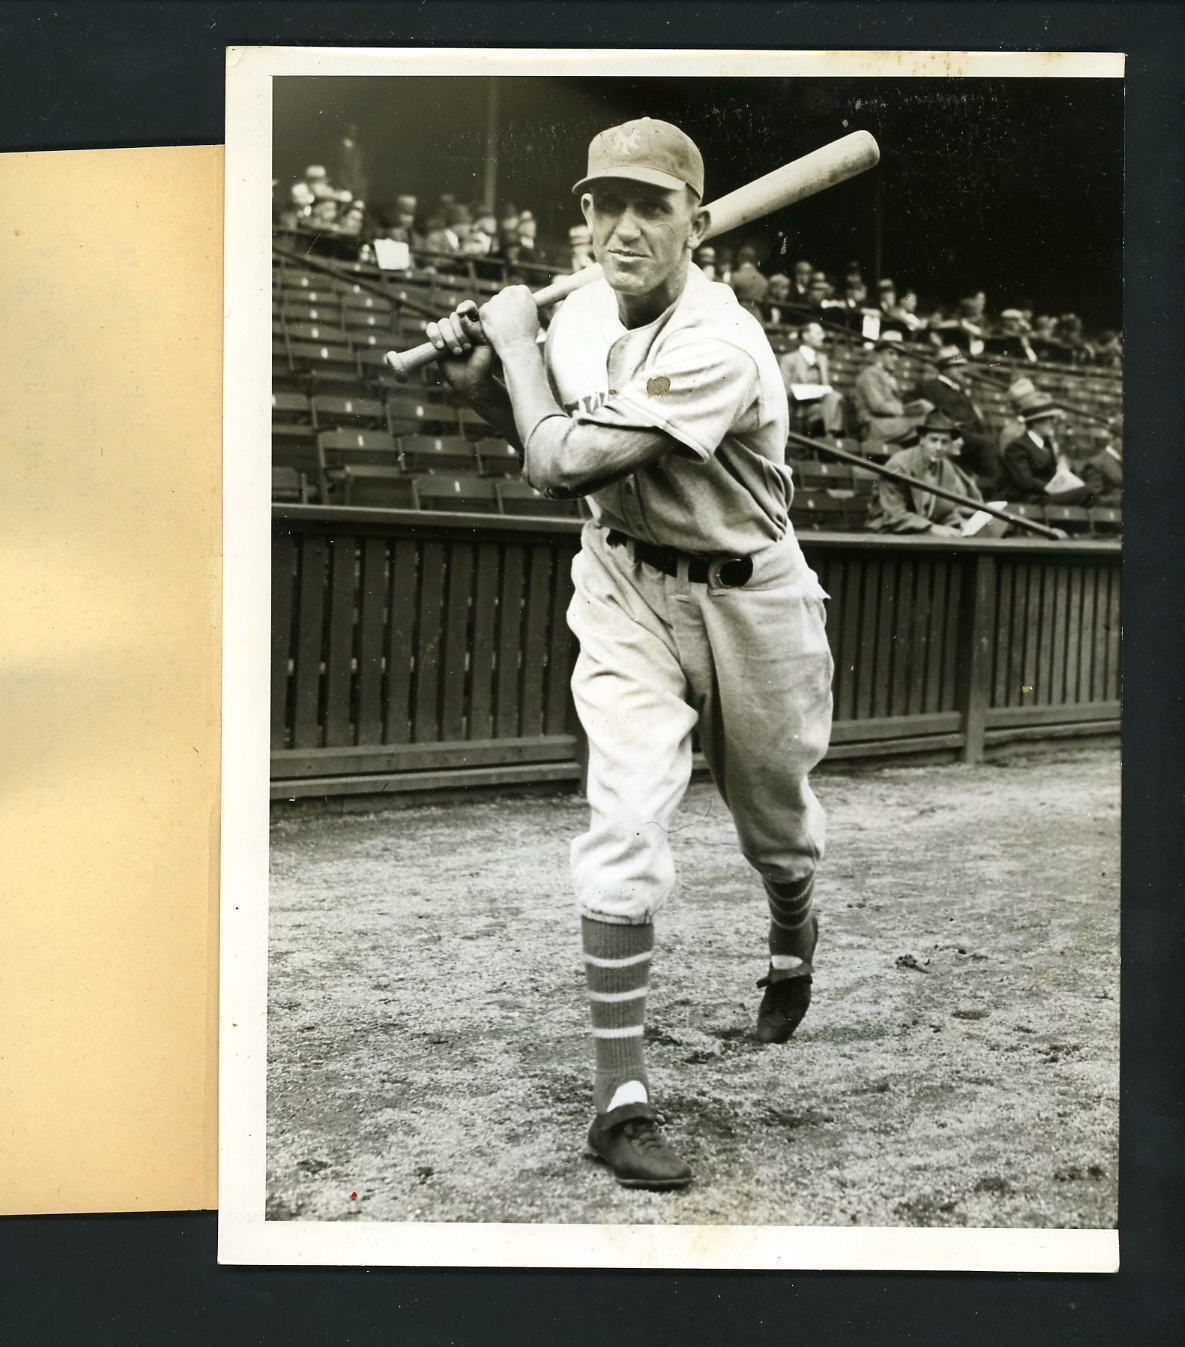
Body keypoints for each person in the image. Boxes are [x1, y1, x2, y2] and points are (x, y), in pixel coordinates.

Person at [425, 117, 834, 1192]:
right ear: (584, 215)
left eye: (650, 206)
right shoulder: (577, 309)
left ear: (696, 225)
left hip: (751, 597)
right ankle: (620, 1103)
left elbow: (559, 458)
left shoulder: (721, 340)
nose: (622, 226)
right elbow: (535, 433)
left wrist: (512, 345)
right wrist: (479, 370)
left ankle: (792, 934)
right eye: (605, 203)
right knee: (625, 821)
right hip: (620, 582)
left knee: (776, 829)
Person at [867, 408, 983, 535]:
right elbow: (894, 515)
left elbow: (944, 512)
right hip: (889, 533)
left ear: (950, 444)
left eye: (944, 442)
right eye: (933, 440)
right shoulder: (898, 464)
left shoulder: (947, 467)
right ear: (922, 439)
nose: (938, 447)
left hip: (921, 534)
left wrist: (959, 523)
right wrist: (933, 529)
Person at [911, 346, 1002, 493]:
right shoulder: (930, 386)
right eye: (957, 366)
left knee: (991, 441)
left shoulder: (959, 390)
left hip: (968, 435)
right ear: (945, 368)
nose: (961, 370)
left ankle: (983, 487)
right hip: (950, 433)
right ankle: (990, 490)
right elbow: (929, 412)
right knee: (987, 444)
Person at [1002, 398, 1093, 505]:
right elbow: (1026, 482)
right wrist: (1055, 487)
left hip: (1048, 496)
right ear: (1036, 422)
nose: (1053, 423)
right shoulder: (1017, 447)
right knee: (1086, 493)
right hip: (1030, 499)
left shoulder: (1050, 444)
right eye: (1049, 419)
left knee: (1088, 493)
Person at [854, 336, 926, 451]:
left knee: (928, 415)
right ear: (878, 354)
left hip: (889, 424)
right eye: (891, 353)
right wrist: (906, 410)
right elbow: (878, 406)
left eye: (898, 355)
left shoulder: (889, 377)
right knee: (927, 421)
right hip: (874, 426)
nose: (895, 358)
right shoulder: (870, 374)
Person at [778, 321, 846, 437]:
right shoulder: (789, 359)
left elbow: (826, 387)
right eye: (818, 333)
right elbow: (784, 391)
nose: (823, 337)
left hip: (821, 405)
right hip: (799, 407)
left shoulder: (822, 359)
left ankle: (829, 436)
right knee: (833, 403)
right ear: (805, 336)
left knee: (834, 398)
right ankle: (831, 437)